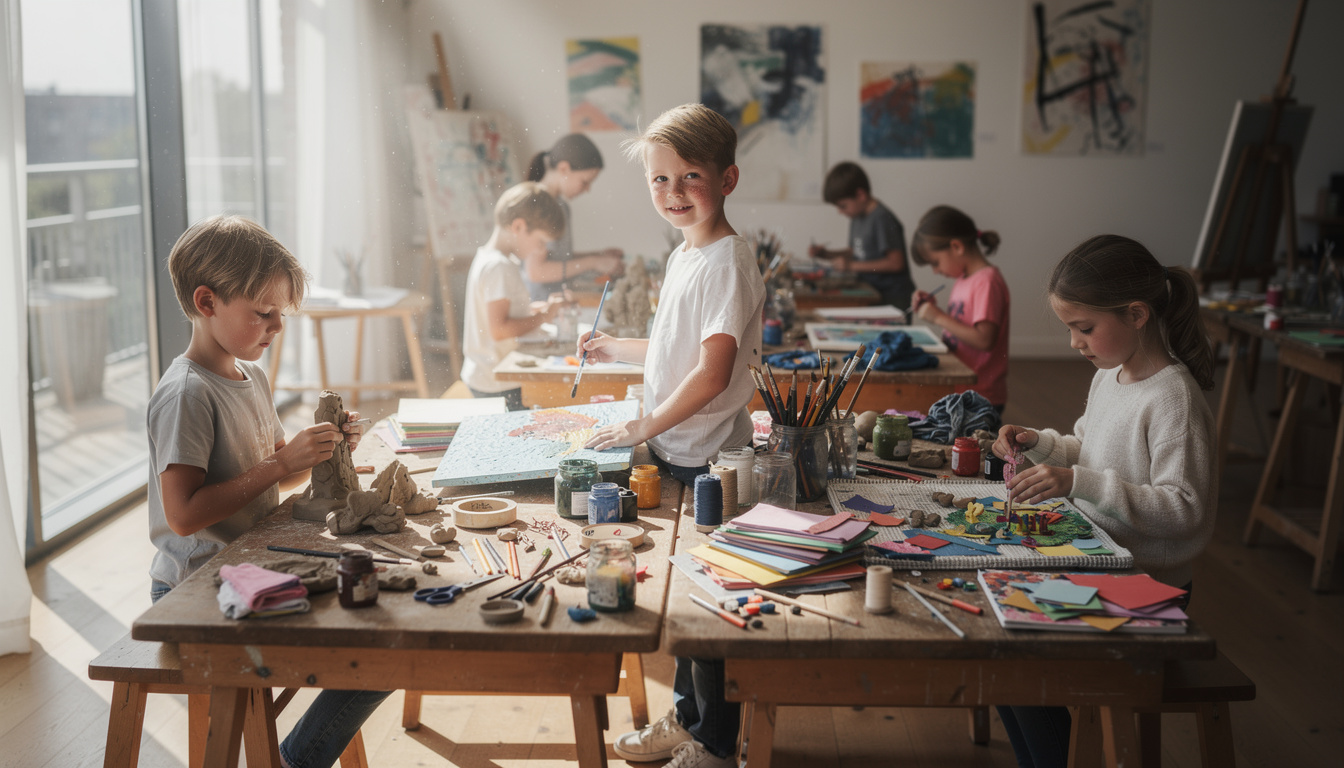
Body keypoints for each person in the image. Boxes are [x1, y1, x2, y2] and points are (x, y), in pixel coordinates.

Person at [147, 214, 389, 768]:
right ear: (206, 302)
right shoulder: (186, 393)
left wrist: (321, 450)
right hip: (195, 587)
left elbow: (281, 473)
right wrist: (281, 460)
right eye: (263, 313)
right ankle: (294, 761)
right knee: (376, 652)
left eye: (281, 313)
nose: (278, 325)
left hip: (248, 565)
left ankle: (288, 759)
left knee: (381, 634)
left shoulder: (249, 375)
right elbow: (183, 515)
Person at [578, 103, 764, 768]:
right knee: (685, 600)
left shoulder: (727, 262)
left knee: (706, 608)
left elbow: (712, 375)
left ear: (728, 179)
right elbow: (676, 349)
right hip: (680, 451)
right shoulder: (688, 252)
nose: (673, 192)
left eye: (690, 177)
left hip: (706, 461)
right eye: (660, 179)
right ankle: (689, 720)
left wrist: (640, 427)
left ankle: (714, 747)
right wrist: (616, 349)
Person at [991, 234, 1218, 768]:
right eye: (1070, 329)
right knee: (992, 652)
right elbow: (1086, 449)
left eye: (1084, 328)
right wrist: (1037, 442)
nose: (1075, 342)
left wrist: (1078, 482)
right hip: (1098, 562)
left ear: (1137, 314)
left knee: (1012, 662)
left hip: (1148, 584)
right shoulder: (1109, 377)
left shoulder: (1174, 398)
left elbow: (1183, 508)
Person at [460, 181, 571, 410]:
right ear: (518, 226)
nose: (541, 250)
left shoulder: (490, 259)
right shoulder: (499, 267)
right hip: (497, 382)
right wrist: (545, 316)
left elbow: (497, 316)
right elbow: (499, 330)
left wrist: (535, 311)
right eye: (541, 242)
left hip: (488, 375)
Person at [909, 205, 1011, 410]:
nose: (936, 271)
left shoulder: (987, 282)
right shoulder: (964, 279)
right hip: (960, 389)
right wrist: (933, 308)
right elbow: (962, 325)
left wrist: (938, 317)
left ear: (956, 246)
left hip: (979, 396)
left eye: (935, 262)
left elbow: (984, 340)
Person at [524, 133, 625, 300]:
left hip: (559, 303)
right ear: (564, 168)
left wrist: (599, 256)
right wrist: (593, 262)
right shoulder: (536, 204)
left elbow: (559, 258)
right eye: (585, 182)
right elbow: (535, 271)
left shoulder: (561, 206)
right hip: (540, 304)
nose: (587, 189)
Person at [808, 160, 915, 309]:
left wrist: (850, 266)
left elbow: (896, 263)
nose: (840, 212)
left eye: (843, 206)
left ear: (860, 195)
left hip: (893, 298)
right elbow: (856, 251)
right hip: (871, 292)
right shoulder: (857, 216)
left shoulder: (882, 218)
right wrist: (826, 254)